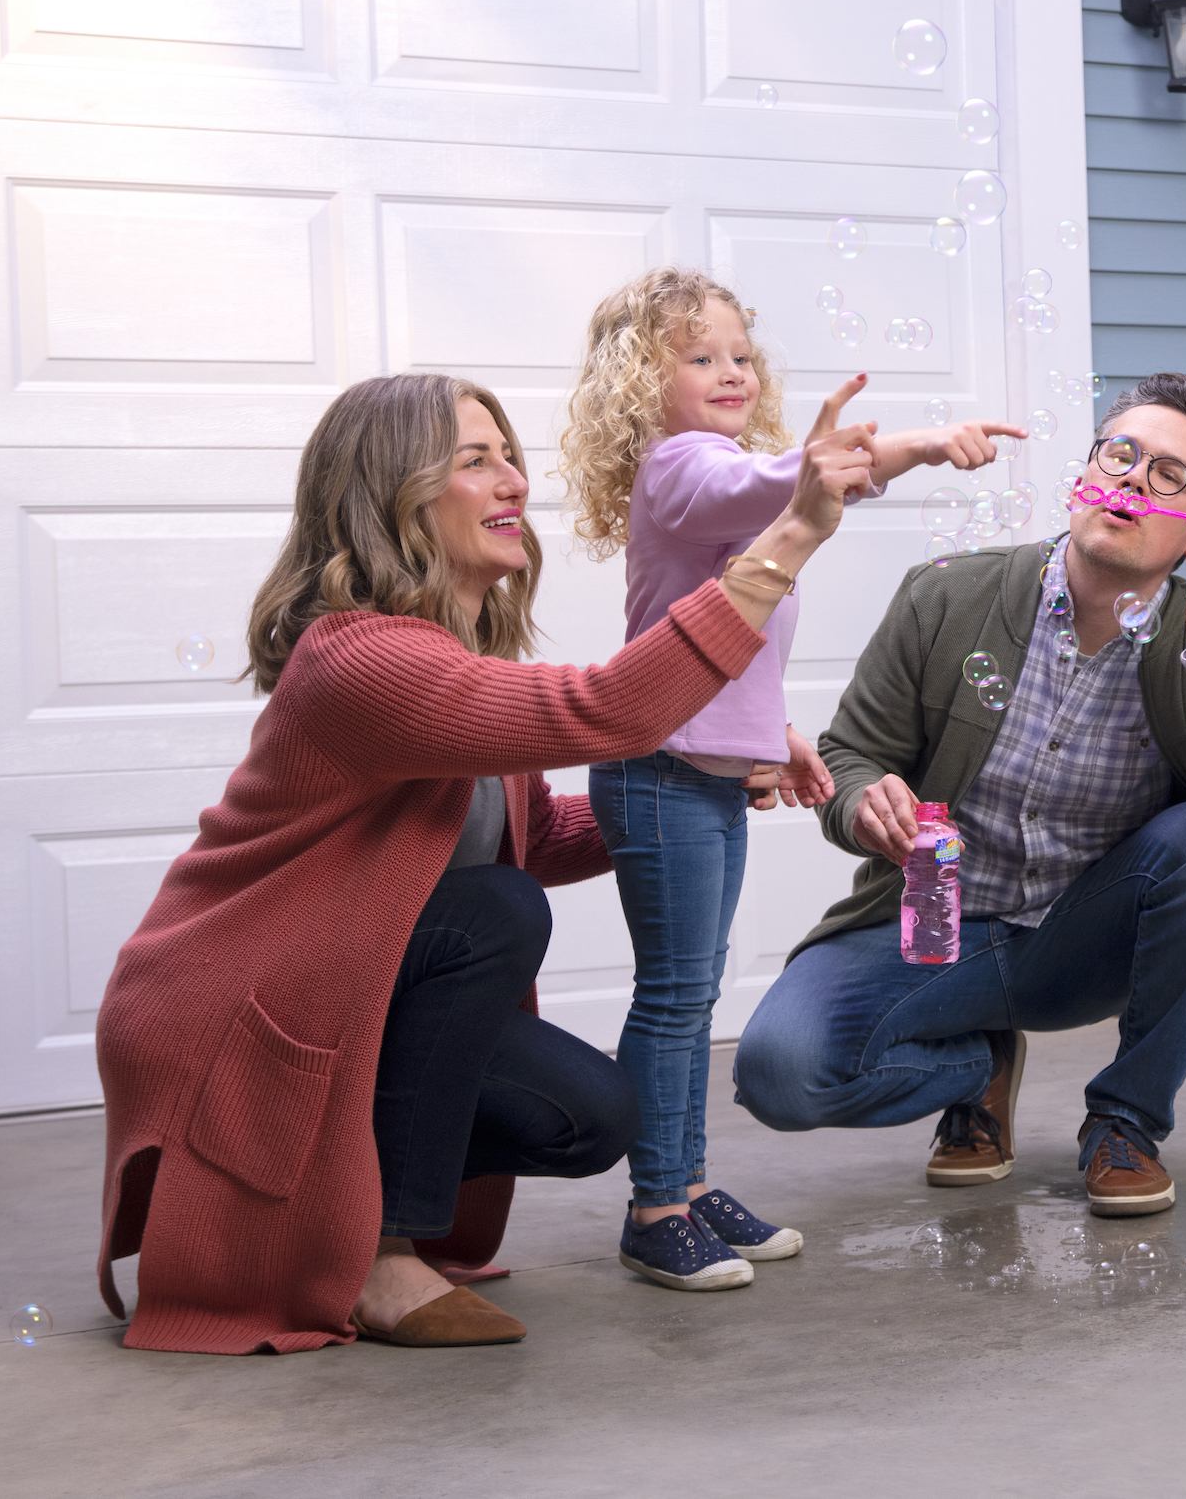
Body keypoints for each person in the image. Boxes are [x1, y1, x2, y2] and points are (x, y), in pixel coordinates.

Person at [91, 368, 874, 1353]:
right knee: (496, 908)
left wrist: (706, 779)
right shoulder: (362, 658)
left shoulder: (458, 657)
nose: (514, 481)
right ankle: (381, 1251)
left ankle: (354, 1187)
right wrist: (790, 534)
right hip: (234, 1002)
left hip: (349, 988)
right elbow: (606, 709)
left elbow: (541, 833)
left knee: (592, 1114)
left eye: (511, 455)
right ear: (394, 493)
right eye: (475, 460)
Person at [732, 371, 1186, 1217]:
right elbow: (850, 756)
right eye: (1120, 455)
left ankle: (1126, 1122)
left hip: (1085, 941)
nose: (1133, 479)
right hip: (936, 923)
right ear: (1085, 474)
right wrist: (863, 803)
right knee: (778, 1074)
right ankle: (977, 1067)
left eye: (1170, 476)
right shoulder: (947, 597)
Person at [557, 267, 1023, 1291]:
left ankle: (683, 1179)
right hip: (656, 773)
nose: (730, 369)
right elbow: (777, 486)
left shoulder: (721, 467)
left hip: (705, 776)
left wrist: (777, 734)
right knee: (676, 999)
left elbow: (733, 644)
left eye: (740, 352)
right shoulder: (681, 466)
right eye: (698, 355)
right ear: (642, 383)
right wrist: (910, 446)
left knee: (694, 990)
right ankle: (656, 1206)